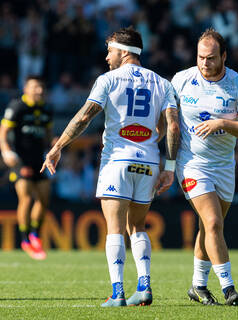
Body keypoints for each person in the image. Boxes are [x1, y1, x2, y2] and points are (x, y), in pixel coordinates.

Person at [40, 27, 180, 307]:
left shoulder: (108, 80)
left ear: (124, 51)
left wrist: (57, 147)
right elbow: (172, 125)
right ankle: (144, 287)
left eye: (110, 50)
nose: (106, 57)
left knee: (115, 228)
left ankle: (117, 292)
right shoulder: (162, 83)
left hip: (117, 160)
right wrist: (170, 165)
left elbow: (84, 117)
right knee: (138, 226)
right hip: (149, 162)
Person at [171, 28, 238, 306]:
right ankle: (229, 288)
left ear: (224, 56)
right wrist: (166, 162)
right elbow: (167, 122)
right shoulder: (182, 80)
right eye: (200, 57)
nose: (204, 64)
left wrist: (222, 123)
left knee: (209, 228)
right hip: (191, 163)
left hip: (223, 166)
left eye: (210, 58)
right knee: (212, 222)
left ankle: (197, 285)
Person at [0, 75, 53, 260]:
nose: (39, 91)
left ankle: (35, 235)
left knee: (45, 198)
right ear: (26, 88)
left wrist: (56, 146)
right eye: (35, 87)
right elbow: (3, 131)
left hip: (39, 161)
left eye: (41, 87)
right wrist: (6, 151)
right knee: (26, 197)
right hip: (20, 160)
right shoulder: (17, 107)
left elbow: (48, 135)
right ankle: (25, 240)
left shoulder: (46, 109)